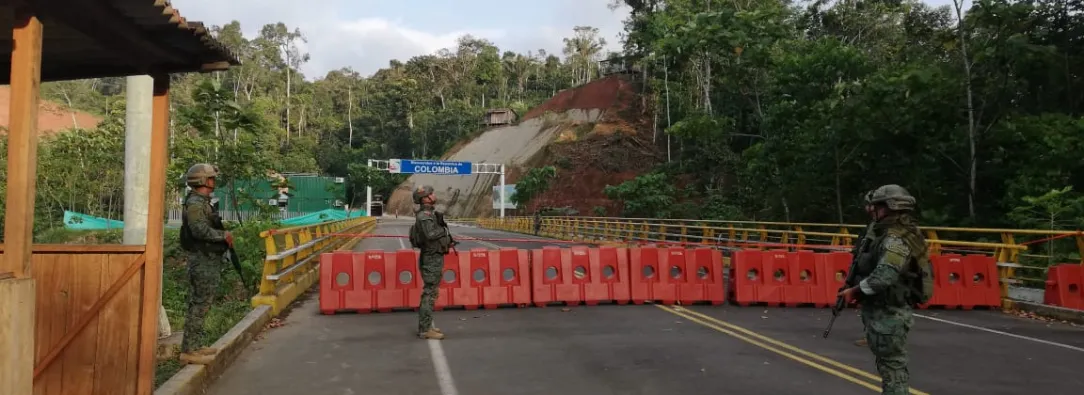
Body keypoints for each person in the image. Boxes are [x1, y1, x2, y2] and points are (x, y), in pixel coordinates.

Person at [838, 184, 928, 394]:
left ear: (888, 207)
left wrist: (854, 292)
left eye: (876, 207)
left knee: (893, 369)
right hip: (884, 309)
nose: (872, 211)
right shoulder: (886, 233)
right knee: (888, 366)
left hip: (890, 311)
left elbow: (883, 277)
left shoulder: (895, 239)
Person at [178, 163, 233, 364]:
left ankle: (195, 346)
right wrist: (222, 235)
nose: (214, 181)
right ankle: (188, 351)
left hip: (207, 259)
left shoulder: (202, 202)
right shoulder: (195, 203)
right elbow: (199, 230)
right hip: (201, 260)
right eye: (211, 178)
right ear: (202, 180)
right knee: (199, 304)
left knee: (202, 304)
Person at [408, 185, 454, 340]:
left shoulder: (429, 214)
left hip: (433, 256)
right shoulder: (425, 216)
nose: (434, 195)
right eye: (431, 194)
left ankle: (426, 327)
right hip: (431, 258)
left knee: (431, 292)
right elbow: (430, 234)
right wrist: (442, 228)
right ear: (425, 198)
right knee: (429, 293)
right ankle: (425, 329)